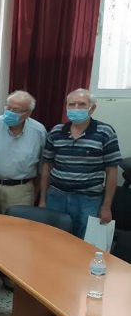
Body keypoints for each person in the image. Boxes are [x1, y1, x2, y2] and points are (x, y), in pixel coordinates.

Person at [0, 90, 46, 290]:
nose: (10, 112)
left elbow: (43, 166)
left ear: (28, 113)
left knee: (17, 237)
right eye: (8, 107)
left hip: (21, 189)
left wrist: (37, 193)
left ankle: (11, 278)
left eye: (16, 110)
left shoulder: (39, 131)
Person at [39, 88, 122, 238]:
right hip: (56, 196)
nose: (76, 108)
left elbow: (112, 171)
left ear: (92, 108)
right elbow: (47, 167)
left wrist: (106, 206)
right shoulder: (56, 131)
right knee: (51, 238)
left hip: (88, 199)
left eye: (82, 104)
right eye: (71, 104)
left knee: (83, 241)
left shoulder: (105, 132)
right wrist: (43, 200)